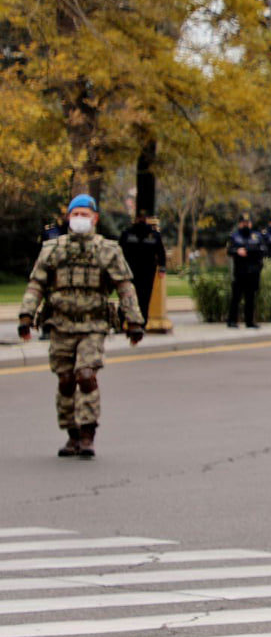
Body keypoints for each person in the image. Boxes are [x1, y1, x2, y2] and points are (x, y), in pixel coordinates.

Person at [17, 195, 145, 458]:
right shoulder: (53, 249)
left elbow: (124, 287)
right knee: (65, 381)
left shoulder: (108, 250)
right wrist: (25, 316)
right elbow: (37, 284)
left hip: (93, 325)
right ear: (68, 218)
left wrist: (134, 321)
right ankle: (71, 433)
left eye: (85, 214)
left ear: (95, 218)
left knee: (85, 375)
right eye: (75, 214)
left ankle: (88, 433)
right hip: (60, 325)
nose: (79, 219)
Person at [118, 210, 166, 324]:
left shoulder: (153, 235)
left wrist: (162, 267)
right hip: (131, 270)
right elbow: (119, 252)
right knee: (127, 297)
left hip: (147, 272)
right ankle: (121, 321)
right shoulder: (128, 234)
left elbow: (160, 252)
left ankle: (141, 322)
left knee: (144, 298)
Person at [226, 213, 265, 329]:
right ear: (240, 224)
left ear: (251, 224)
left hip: (253, 271)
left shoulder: (257, 236)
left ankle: (250, 322)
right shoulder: (234, 236)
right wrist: (237, 251)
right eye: (244, 223)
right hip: (240, 271)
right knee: (236, 297)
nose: (246, 225)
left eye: (248, 223)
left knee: (250, 298)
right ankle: (232, 321)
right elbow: (229, 250)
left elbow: (262, 249)